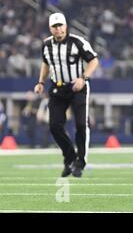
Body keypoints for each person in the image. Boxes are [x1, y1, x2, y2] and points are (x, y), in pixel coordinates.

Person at [34, 13, 99, 178]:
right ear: (50, 28)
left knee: (80, 125)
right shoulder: (46, 45)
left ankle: (80, 162)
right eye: (55, 26)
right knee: (54, 126)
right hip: (57, 88)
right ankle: (70, 157)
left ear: (66, 26)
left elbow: (94, 60)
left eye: (61, 25)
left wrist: (83, 78)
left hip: (77, 87)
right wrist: (41, 82)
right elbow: (46, 62)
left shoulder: (78, 42)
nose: (58, 29)